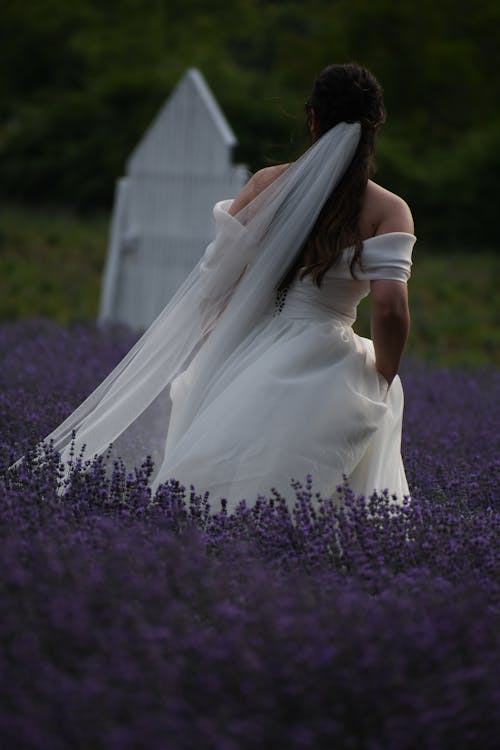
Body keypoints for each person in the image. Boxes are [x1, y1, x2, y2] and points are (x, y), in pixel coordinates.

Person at [25, 63, 416, 511]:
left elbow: (218, 277)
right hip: (327, 354)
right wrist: (383, 373)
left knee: (214, 478)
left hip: (248, 341)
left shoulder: (267, 185)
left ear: (312, 119)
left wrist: (219, 343)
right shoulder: (388, 210)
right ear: (375, 127)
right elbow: (389, 309)